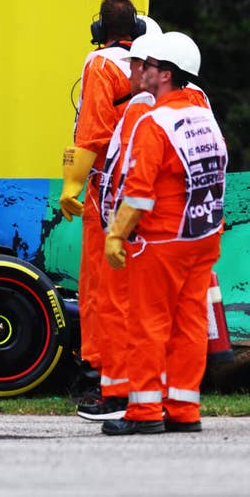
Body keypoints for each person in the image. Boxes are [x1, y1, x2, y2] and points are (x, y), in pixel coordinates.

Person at [101, 31, 225, 435]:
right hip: (203, 237)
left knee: (148, 324)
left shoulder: (155, 122)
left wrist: (116, 234)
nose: (142, 70)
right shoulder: (203, 115)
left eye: (148, 65)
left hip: (163, 241)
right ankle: (185, 410)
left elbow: (138, 194)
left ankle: (144, 413)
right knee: (190, 323)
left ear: (166, 75)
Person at [59, 0, 142, 407]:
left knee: (99, 285)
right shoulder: (150, 65)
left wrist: (71, 183)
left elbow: (90, 132)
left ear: (98, 32)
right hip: (143, 186)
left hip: (107, 188)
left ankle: (100, 370)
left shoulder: (99, 65)